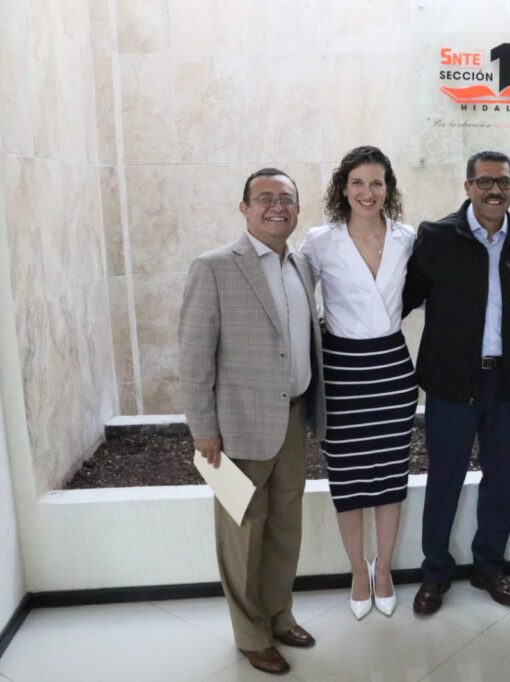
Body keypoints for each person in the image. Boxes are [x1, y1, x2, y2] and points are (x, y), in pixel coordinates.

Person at [178, 168, 326, 675]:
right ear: (244, 208)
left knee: (285, 528)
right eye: (265, 198)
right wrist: (203, 430)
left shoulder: (301, 265)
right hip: (236, 429)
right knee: (242, 535)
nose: (276, 206)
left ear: (298, 209)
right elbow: (194, 358)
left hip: (293, 419)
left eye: (286, 198)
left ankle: (279, 615)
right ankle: (250, 634)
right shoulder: (214, 267)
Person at [403, 150, 510, 615]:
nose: (494, 190)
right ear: (467, 187)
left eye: (503, 182)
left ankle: (489, 567)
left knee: (499, 477)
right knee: (445, 476)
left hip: (506, 382)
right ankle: (435, 573)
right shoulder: (438, 236)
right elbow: (402, 298)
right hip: (451, 382)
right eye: (484, 181)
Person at [299, 146, 417, 620]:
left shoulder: (408, 238)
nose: (367, 193)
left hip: (391, 367)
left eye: (377, 183)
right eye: (358, 183)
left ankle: (382, 568)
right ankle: (356, 570)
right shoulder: (319, 242)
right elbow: (295, 300)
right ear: (343, 188)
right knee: (346, 476)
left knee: (390, 474)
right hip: (340, 370)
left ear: (388, 189)